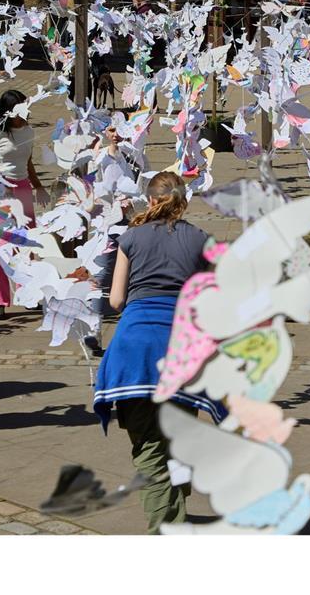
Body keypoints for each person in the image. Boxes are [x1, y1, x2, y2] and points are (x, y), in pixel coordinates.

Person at [92, 172, 223, 533]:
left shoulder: (130, 237)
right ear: (183, 202)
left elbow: (116, 300)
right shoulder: (201, 239)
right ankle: (173, 505)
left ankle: (166, 527)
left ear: (150, 200)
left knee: (149, 446)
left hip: (134, 349)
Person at [0, 89, 48, 319]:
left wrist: (38, 185)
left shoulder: (28, 130)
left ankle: (27, 293)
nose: (26, 110)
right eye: (21, 106)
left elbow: (27, 162)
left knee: (25, 244)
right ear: (9, 111)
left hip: (22, 191)